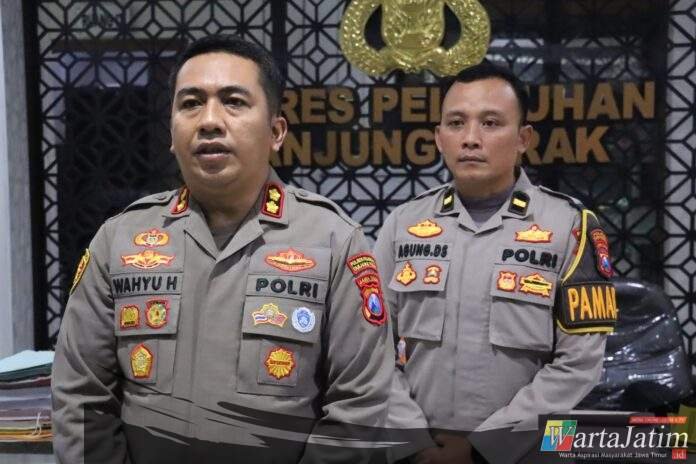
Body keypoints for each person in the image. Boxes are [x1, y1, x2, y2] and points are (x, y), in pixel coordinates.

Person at [52, 35, 394, 464]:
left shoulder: (332, 240)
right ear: (172, 133)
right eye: (191, 103)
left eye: (233, 102)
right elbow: (82, 395)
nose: (209, 121)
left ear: (275, 132)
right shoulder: (119, 240)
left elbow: (359, 404)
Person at [374, 63, 617, 464]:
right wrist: (414, 441)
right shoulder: (403, 224)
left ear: (523, 138)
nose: (470, 138)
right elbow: (371, 348)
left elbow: (580, 364)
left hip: (526, 452)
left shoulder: (570, 227)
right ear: (438, 137)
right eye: (456, 123)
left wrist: (482, 449)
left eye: (490, 123)